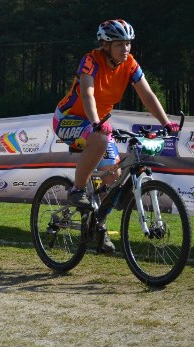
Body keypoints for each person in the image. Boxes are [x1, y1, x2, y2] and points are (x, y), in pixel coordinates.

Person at [53, 19, 180, 253]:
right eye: (120, 44)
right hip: (69, 118)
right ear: (105, 45)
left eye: (128, 43)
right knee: (101, 139)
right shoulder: (91, 60)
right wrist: (95, 122)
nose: (126, 49)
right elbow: (88, 94)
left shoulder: (130, 64)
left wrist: (166, 122)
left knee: (113, 175)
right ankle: (77, 190)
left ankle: (97, 224)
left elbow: (147, 94)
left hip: (98, 123)